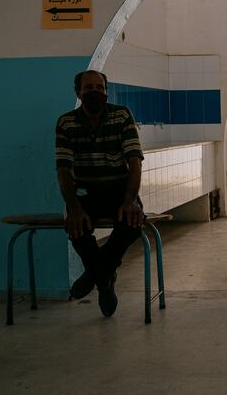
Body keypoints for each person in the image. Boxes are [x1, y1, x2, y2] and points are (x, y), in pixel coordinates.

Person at [55, 70, 145, 317]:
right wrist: (74, 208)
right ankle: (105, 278)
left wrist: (130, 200)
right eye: (88, 88)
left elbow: (134, 161)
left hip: (120, 190)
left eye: (99, 87)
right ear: (78, 93)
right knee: (76, 227)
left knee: (132, 224)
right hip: (86, 192)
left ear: (106, 91)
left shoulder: (121, 115)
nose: (94, 92)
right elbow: (63, 169)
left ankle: (96, 274)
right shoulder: (66, 123)